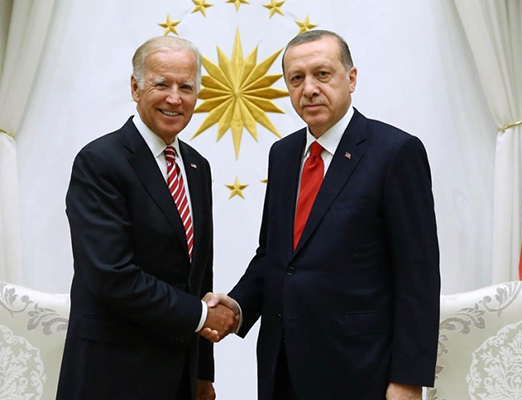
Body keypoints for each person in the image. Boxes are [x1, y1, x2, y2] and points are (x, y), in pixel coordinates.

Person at [211, 30, 440, 400]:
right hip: (281, 366)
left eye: (322, 74)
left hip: (360, 370)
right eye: (296, 78)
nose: (309, 89)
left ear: (351, 78)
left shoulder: (395, 152)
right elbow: (275, 256)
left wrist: (408, 378)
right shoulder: (283, 155)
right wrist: (236, 306)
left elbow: (418, 276)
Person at [56, 36, 237, 400]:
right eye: (162, 84)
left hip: (179, 375)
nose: (175, 98)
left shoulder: (197, 166)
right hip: (112, 374)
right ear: (135, 87)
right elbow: (112, 276)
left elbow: (200, 275)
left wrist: (202, 372)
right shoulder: (100, 162)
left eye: (186, 87)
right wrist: (202, 316)